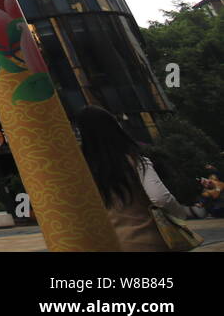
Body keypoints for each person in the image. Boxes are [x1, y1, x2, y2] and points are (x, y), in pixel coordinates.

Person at [76, 106, 190, 251]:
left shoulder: (82, 172)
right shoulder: (137, 161)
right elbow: (160, 197)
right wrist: (180, 213)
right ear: (114, 128)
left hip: (110, 244)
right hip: (149, 242)